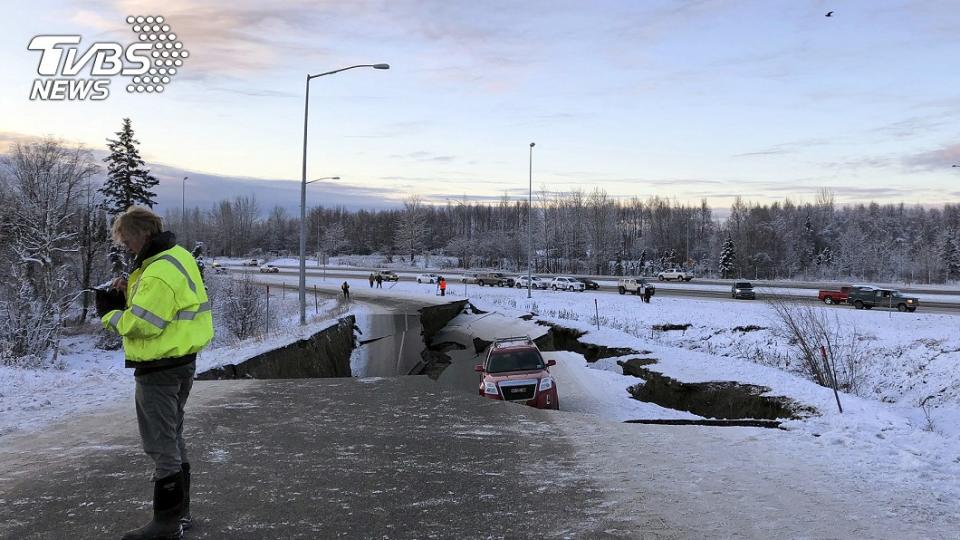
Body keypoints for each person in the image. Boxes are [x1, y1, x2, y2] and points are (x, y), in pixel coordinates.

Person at [100, 206, 214, 540]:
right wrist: (130, 291)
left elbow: (143, 324)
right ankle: (182, 514)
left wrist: (110, 312)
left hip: (159, 368)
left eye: (127, 239)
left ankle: (165, 523)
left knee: (161, 443)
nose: (126, 246)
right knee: (172, 436)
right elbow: (168, 304)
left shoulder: (157, 272)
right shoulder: (176, 256)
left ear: (142, 234)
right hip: (181, 361)